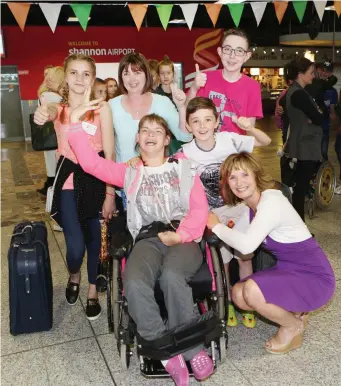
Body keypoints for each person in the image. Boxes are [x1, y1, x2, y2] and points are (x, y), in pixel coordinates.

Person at [67, 105, 215, 385]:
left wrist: (181, 235)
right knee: (133, 283)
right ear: (137, 139)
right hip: (147, 239)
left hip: (181, 235)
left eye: (157, 131)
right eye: (144, 130)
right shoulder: (129, 173)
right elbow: (91, 164)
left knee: (172, 277)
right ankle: (166, 353)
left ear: (167, 139)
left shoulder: (184, 168)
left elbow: (199, 210)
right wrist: (75, 124)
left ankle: (193, 349)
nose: (150, 135)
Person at [207, 152, 335, 355]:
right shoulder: (251, 206)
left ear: (256, 175)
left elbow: (247, 245)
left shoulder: (271, 201)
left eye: (245, 175)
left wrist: (215, 226)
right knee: (239, 295)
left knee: (251, 291)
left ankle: (292, 325)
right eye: (233, 177)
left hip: (315, 277)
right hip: (289, 270)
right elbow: (241, 247)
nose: (239, 182)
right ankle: (297, 310)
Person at [33, 54, 116, 321]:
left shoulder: (103, 108)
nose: (80, 79)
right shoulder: (60, 108)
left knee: (94, 239)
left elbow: (111, 155)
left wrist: (110, 193)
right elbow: (49, 112)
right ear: (66, 77)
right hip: (67, 181)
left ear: (93, 78)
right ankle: (74, 274)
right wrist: (43, 112)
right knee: (75, 245)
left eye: (86, 74)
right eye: (74, 73)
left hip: (96, 179)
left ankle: (92, 290)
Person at [181, 97, 271, 328]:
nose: (202, 126)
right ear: (188, 126)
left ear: (217, 122)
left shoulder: (228, 140)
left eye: (208, 120)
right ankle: (228, 302)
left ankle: (247, 303)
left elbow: (266, 140)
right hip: (212, 216)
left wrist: (250, 128)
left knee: (245, 256)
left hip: (237, 209)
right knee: (221, 262)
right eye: (196, 121)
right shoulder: (186, 152)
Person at [110, 52, 192, 164]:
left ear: (146, 74)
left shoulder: (162, 102)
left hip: (157, 176)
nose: (132, 79)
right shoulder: (112, 105)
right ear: (121, 77)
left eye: (137, 73)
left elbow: (185, 137)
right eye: (126, 73)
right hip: (124, 176)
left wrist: (181, 107)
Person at [187, 28, 263, 135]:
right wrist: (194, 88)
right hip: (206, 146)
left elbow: (250, 129)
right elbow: (187, 111)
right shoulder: (205, 78)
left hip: (235, 149)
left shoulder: (253, 86)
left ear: (246, 56)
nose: (232, 56)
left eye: (239, 51)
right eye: (227, 49)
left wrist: (247, 126)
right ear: (220, 52)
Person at [283, 57, 324, 222]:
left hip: (303, 144)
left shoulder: (297, 91)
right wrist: (316, 116)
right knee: (300, 190)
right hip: (304, 146)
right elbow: (319, 117)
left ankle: (298, 226)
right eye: (311, 73)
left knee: (300, 188)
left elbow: (316, 116)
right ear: (300, 74)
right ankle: (298, 227)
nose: (313, 76)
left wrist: (315, 116)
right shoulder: (298, 94)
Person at [36, 66, 64, 197]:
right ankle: (52, 187)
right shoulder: (51, 95)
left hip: (50, 136)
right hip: (56, 136)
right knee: (55, 163)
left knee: (52, 163)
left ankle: (50, 186)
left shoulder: (45, 94)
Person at [155, 55, 183, 153]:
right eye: (162, 73)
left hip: (178, 138)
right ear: (158, 75)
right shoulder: (154, 96)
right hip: (161, 138)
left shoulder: (180, 94)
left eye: (168, 73)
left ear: (173, 74)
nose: (165, 76)